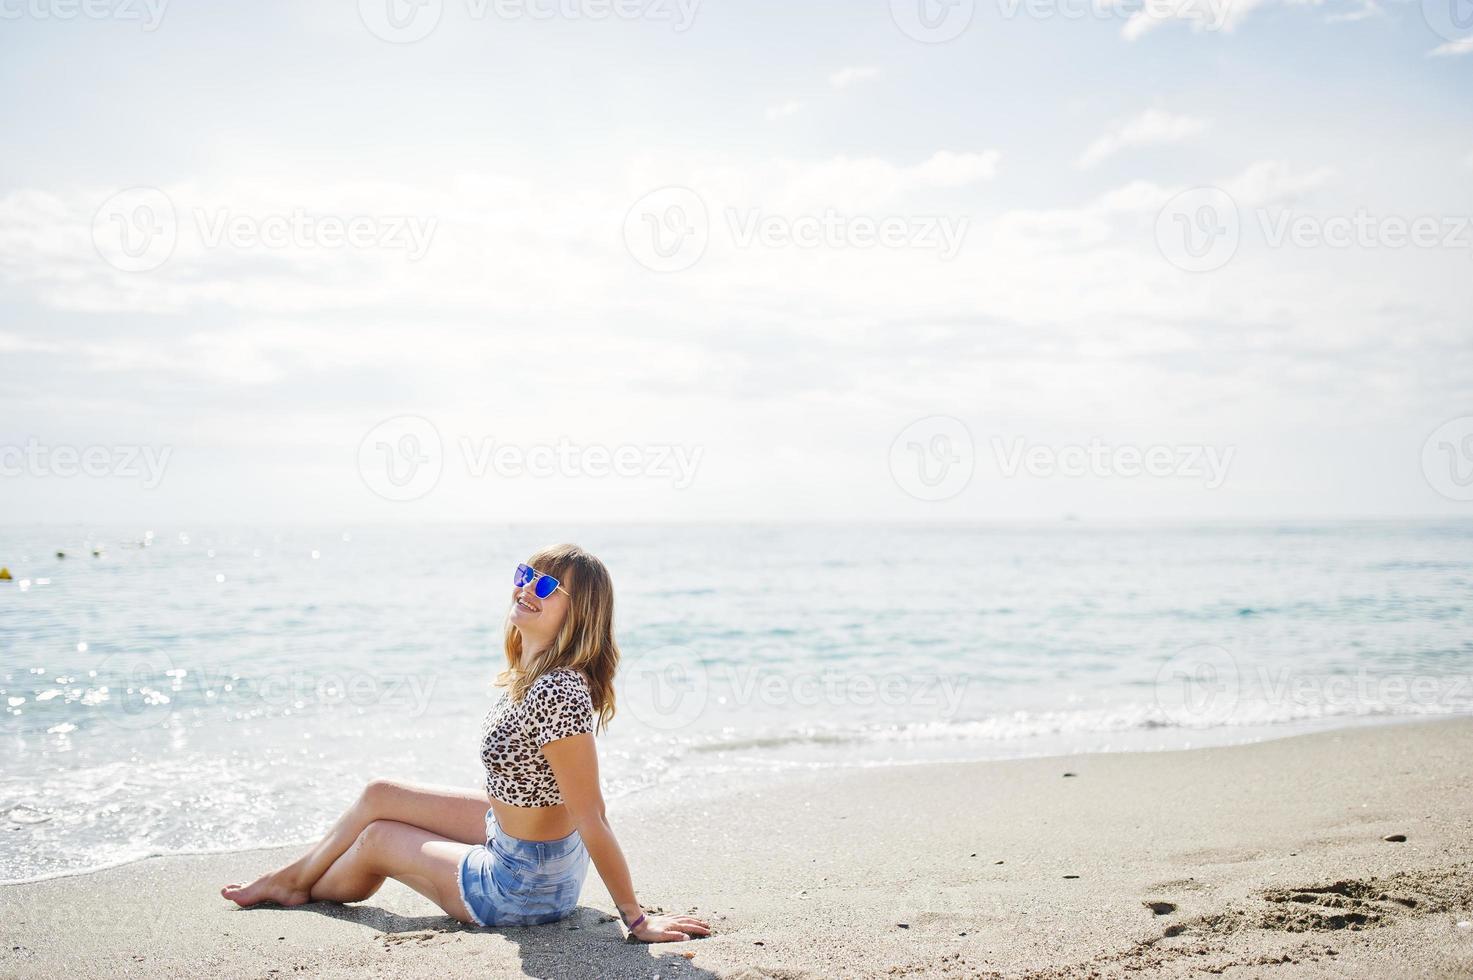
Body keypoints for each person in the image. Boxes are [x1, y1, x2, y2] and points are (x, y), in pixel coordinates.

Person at [222, 544, 710, 943]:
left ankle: (295, 887)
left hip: (523, 888)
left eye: (545, 585)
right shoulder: (533, 676)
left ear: (578, 613)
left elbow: (592, 815)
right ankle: (293, 878)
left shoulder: (558, 689)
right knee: (380, 794)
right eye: (525, 573)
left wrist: (637, 919)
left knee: (377, 839)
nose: (525, 587)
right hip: (517, 837)